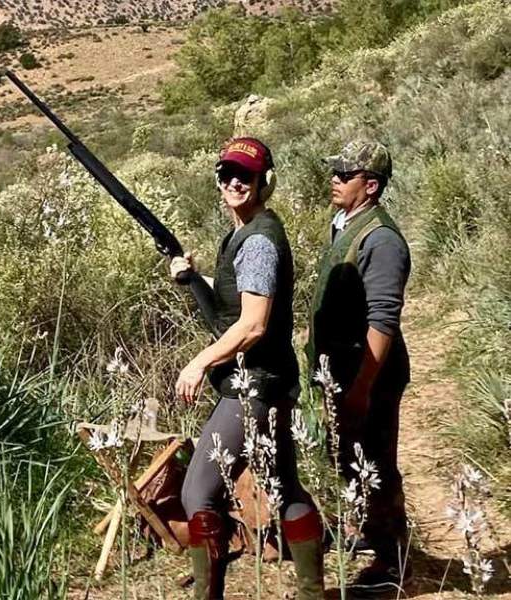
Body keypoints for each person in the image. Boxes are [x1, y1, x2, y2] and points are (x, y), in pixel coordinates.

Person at [171, 137, 324, 600]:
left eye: (246, 175)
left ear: (264, 182)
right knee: (285, 487)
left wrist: (199, 361)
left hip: (253, 388)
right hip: (273, 381)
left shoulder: (257, 241)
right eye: (226, 174)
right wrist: (192, 278)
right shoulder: (249, 231)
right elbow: (233, 305)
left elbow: (253, 324)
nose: (235, 182)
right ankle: (313, 594)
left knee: (197, 494)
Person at [307, 139, 412, 594]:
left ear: (370, 186)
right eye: (335, 172)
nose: (334, 180)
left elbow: (383, 320)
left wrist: (362, 388)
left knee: (377, 461)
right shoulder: (348, 224)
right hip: (345, 370)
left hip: (371, 374)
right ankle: (369, 532)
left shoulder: (382, 240)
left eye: (344, 175)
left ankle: (392, 561)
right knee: (350, 455)